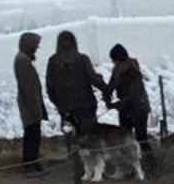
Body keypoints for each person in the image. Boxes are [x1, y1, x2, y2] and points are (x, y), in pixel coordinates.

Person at [44, 28, 107, 144]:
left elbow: (49, 88)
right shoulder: (82, 59)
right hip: (86, 107)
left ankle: (75, 160)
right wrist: (106, 89)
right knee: (90, 141)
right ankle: (91, 161)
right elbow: (93, 78)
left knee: (72, 142)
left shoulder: (53, 62)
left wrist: (60, 105)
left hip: (66, 111)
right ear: (74, 42)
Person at [102, 43, 157, 172]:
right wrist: (106, 96)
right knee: (124, 138)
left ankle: (149, 165)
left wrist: (116, 104)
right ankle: (131, 166)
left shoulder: (133, 71)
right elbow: (111, 86)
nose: (113, 62)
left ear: (118, 59)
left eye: (114, 59)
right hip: (126, 109)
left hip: (139, 108)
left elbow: (133, 95)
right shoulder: (117, 70)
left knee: (141, 137)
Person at [14, 30, 47, 175]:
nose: (37, 47)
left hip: (31, 105)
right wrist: (35, 110)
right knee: (31, 136)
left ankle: (33, 163)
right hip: (30, 107)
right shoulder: (23, 61)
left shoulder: (23, 59)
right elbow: (28, 88)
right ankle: (29, 165)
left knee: (34, 135)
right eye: (36, 44)